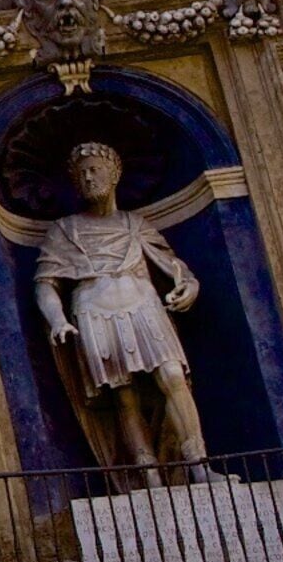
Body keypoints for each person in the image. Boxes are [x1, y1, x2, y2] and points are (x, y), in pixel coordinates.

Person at [33, 139, 211, 481]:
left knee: (173, 377)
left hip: (144, 305)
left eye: (95, 171)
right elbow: (46, 282)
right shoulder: (64, 230)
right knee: (124, 395)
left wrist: (190, 286)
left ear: (115, 174)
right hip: (93, 311)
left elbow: (174, 266)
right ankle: (149, 477)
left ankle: (199, 468)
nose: (88, 179)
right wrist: (57, 321)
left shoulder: (135, 224)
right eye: (81, 174)